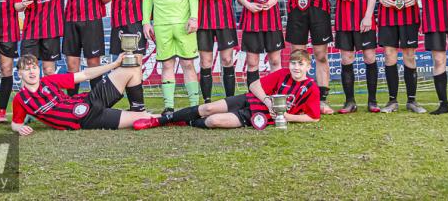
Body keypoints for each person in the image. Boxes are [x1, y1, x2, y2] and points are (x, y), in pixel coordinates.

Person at [99, 0, 190, 111]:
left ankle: (137, 107)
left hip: (138, 19)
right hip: (118, 20)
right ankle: (120, 103)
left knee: (136, 63)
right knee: (121, 64)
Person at [132, 49, 320, 130]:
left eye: (300, 64)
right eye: (293, 63)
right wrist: (267, 100)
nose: (296, 67)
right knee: (207, 108)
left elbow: (313, 117)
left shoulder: (311, 87)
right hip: (251, 101)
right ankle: (160, 120)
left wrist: (287, 117)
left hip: (260, 117)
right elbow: (254, 85)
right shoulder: (283, 74)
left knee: (213, 120)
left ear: (308, 67)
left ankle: (185, 122)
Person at [10, 53, 153, 134]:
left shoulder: (49, 81)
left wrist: (114, 65)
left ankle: (138, 109)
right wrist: (20, 128)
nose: (31, 72)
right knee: (143, 118)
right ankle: (168, 117)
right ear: (20, 73)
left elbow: (85, 74)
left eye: (34, 67)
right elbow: (15, 123)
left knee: (131, 68)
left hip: (90, 99)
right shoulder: (20, 99)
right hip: (85, 118)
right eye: (27, 69)